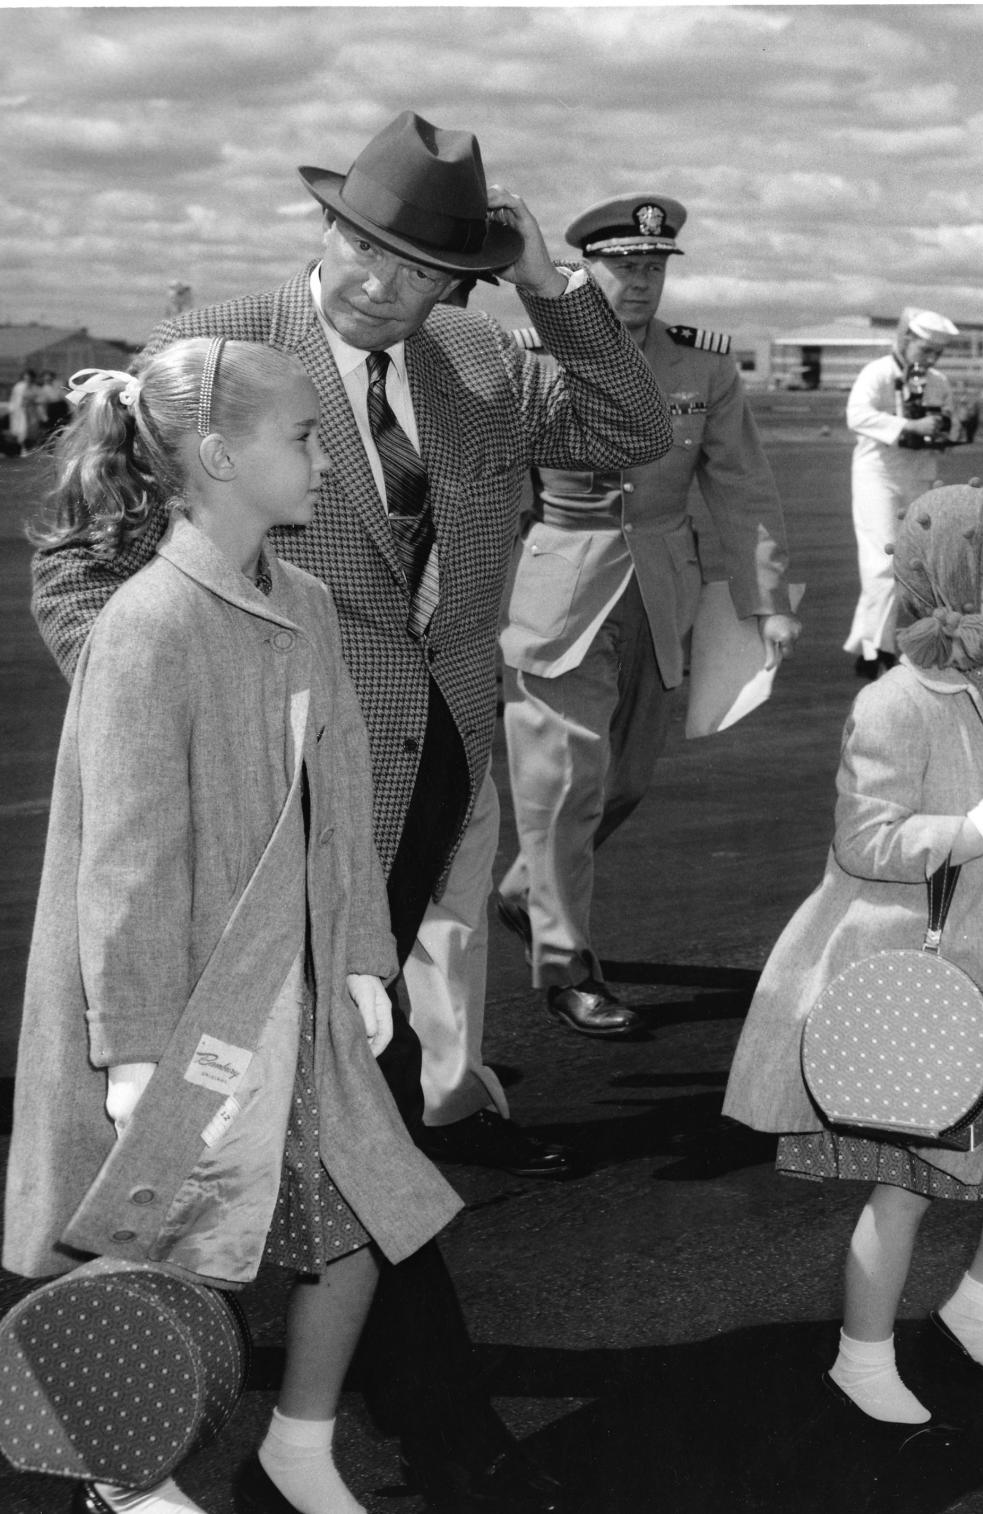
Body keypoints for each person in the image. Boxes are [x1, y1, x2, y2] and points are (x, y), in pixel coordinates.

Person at [30, 107, 671, 1512]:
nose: (379, 281)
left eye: (417, 263)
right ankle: (399, 1412)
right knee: (332, 1103)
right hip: (256, 806)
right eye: (360, 243)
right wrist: (180, 715)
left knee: (330, 1089)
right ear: (325, 229)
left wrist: (553, 289)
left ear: (460, 277)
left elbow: (633, 424)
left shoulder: (486, 360)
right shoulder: (224, 339)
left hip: (419, 780)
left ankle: (294, 1407)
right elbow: (81, 560)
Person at [5, 339, 464, 1514]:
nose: (326, 456)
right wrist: (135, 1045)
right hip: (184, 1002)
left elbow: (345, 787)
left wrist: (365, 951)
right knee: (147, 1240)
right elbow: (124, 863)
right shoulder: (149, 626)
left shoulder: (303, 600)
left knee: (362, 1207)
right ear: (218, 455)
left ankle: (299, 1442)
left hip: (292, 988)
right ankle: (125, 1471)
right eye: (305, 438)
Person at [723, 482, 983, 1436]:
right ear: (964, 585)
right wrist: (977, 831)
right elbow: (868, 841)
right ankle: (862, 1357)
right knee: (908, 1188)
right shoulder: (897, 704)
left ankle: (978, 1306)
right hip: (934, 980)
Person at [496, 194, 800, 1036]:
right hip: (557, 591)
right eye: (622, 264)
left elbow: (743, 489)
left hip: (659, 591)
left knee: (623, 781)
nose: (639, 281)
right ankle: (567, 968)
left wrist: (765, 602)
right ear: (581, 268)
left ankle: (530, 891)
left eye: (653, 266)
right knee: (566, 786)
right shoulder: (530, 356)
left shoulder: (703, 370)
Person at [843, 308, 961, 680]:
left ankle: (865, 646)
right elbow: (857, 415)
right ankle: (880, 651)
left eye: (937, 353)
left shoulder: (938, 381)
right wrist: (909, 425)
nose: (931, 359)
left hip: (919, 473)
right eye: (926, 350)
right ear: (906, 340)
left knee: (911, 563)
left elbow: (948, 422)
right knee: (882, 562)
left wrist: (945, 431)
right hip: (877, 474)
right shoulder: (877, 372)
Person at [8, 367, 40, 456]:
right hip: (21, 411)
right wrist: (13, 409)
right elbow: (14, 398)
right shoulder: (19, 386)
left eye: (29, 377)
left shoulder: (35, 387)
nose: (28, 379)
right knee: (22, 430)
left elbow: (40, 398)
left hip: (32, 411)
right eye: (26, 377)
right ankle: (23, 449)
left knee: (32, 430)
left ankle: (31, 449)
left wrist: (32, 401)